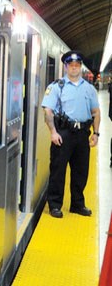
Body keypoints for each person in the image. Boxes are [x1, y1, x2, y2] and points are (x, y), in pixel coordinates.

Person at [41, 50, 100, 218]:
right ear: (66, 66)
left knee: (81, 171)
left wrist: (96, 133)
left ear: (80, 67)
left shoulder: (89, 89)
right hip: (63, 133)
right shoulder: (56, 87)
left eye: (77, 65)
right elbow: (48, 111)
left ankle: (77, 204)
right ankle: (54, 204)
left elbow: (96, 112)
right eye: (71, 65)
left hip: (83, 134)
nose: (74, 68)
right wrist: (53, 132)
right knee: (58, 170)